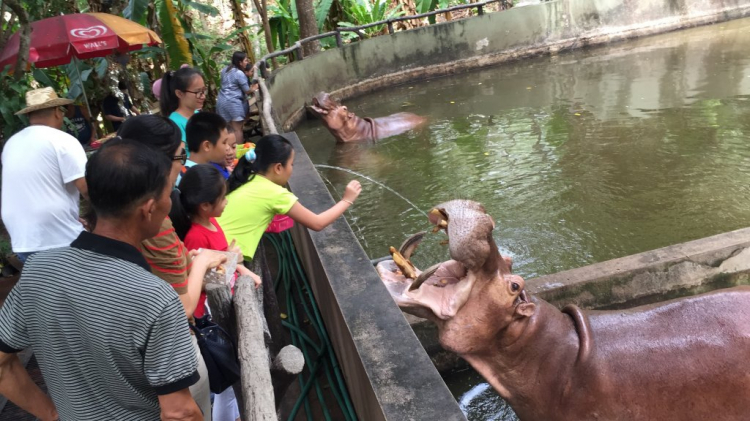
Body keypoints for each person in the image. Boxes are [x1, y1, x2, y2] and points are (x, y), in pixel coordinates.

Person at [0, 138, 212, 420]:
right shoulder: (155, 297)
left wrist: (51, 414)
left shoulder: (38, 269)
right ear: (148, 209)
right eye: (167, 194)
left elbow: (2, 364)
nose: (169, 202)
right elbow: (179, 412)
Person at [118, 115, 226, 421]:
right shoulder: (157, 222)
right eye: (181, 156)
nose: (184, 165)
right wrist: (202, 261)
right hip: (174, 359)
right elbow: (182, 307)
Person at [218, 134, 362, 260]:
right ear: (278, 168)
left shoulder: (249, 177)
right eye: (291, 164)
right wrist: (346, 200)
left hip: (211, 245)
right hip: (222, 253)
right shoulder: (275, 193)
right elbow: (317, 223)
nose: (292, 169)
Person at [2, 87, 88, 264]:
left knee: (50, 290)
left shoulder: (12, 143)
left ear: (30, 116)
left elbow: (33, 188)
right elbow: (86, 189)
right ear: (57, 112)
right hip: (58, 238)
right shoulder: (62, 140)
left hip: (23, 239)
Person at [160, 67, 206, 155]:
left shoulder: (197, 114)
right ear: (179, 94)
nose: (203, 96)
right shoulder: (175, 123)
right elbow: (181, 159)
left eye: (203, 91)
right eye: (197, 92)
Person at [217, 51, 254, 136]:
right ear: (240, 62)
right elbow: (247, 91)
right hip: (233, 103)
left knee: (228, 129)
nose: (247, 62)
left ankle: (230, 148)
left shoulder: (225, 70)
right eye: (245, 60)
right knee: (237, 130)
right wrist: (254, 88)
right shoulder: (239, 73)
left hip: (221, 102)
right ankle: (238, 149)